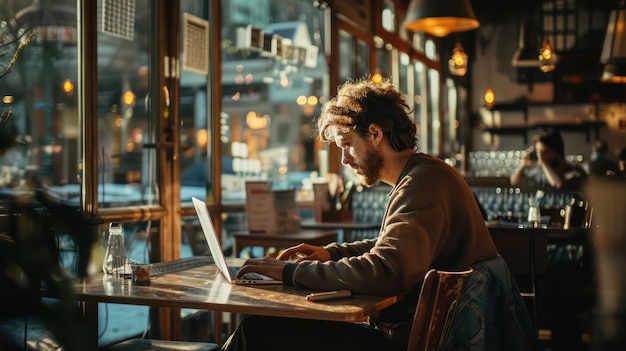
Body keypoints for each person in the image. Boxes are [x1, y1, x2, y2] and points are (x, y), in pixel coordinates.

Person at [220, 78, 506, 351]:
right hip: (413, 334)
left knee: (255, 331)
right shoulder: (423, 175)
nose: (344, 159)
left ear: (375, 134)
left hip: (400, 342)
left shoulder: (422, 183)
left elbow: (388, 270)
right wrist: (333, 255)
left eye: (346, 145)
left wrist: (292, 271)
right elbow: (394, 248)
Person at [509, 128, 587, 190]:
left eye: (545, 152)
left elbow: (559, 185)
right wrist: (523, 165)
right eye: (538, 152)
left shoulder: (574, 172)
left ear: (557, 152)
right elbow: (514, 182)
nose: (541, 156)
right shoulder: (538, 172)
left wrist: (544, 164)